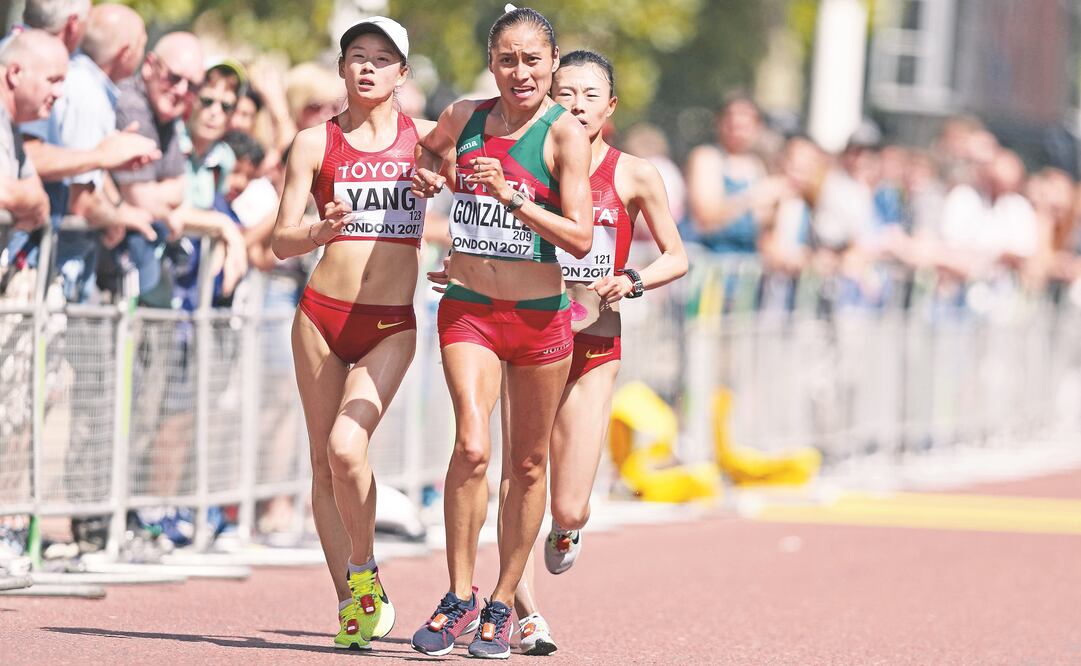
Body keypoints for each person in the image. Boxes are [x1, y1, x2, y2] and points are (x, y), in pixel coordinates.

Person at [408, 7, 593, 660]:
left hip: (539, 319)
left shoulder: (564, 135)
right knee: (471, 444)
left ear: (552, 63)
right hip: (469, 309)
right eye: (508, 59)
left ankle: (503, 601)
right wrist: (428, 175)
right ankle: (458, 593)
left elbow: (579, 237)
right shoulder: (464, 117)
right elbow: (425, 155)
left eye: (533, 60)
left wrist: (513, 198)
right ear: (491, 63)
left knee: (528, 463)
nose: (520, 72)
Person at [502, 49, 687, 655]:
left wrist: (632, 280)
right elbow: (487, 230)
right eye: (566, 93)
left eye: (590, 95)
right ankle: (522, 612)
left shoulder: (634, 174)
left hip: (594, 344)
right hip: (528, 336)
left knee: (571, 505)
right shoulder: (528, 163)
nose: (577, 105)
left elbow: (677, 257)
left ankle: (566, 528)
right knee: (520, 474)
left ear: (610, 107)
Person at [270, 16, 434, 651]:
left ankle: (364, 571)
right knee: (322, 463)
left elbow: (487, 189)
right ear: (341, 69)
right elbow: (281, 240)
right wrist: (318, 230)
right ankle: (350, 600)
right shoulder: (314, 143)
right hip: (320, 317)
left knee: (346, 447)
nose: (368, 67)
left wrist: (447, 205)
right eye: (357, 56)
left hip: (388, 324)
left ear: (403, 73)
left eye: (382, 58)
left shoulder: (427, 140)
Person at [683, 92, 781, 255]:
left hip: (748, 262)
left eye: (744, 126)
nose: (738, 131)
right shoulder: (707, 157)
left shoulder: (757, 165)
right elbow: (705, 218)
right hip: (711, 258)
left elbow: (763, 230)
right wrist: (752, 197)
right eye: (733, 124)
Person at [0, 29, 64, 232]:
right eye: (52, 80)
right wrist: (25, 198)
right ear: (15, 73)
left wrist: (25, 198)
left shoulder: (11, 125)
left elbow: (40, 199)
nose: (59, 93)